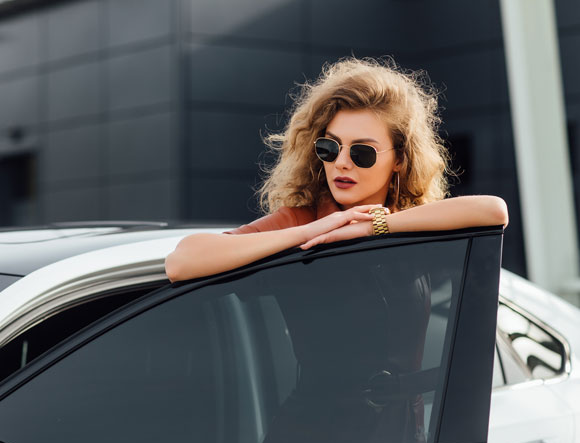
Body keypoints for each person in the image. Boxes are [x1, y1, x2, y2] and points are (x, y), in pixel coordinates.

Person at [165, 57, 508, 283]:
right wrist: (315, 230)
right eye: (329, 147)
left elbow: (493, 211)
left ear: (400, 159)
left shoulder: (410, 221)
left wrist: (371, 227)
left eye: (362, 152)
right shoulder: (302, 220)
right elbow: (181, 261)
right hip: (318, 397)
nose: (341, 161)